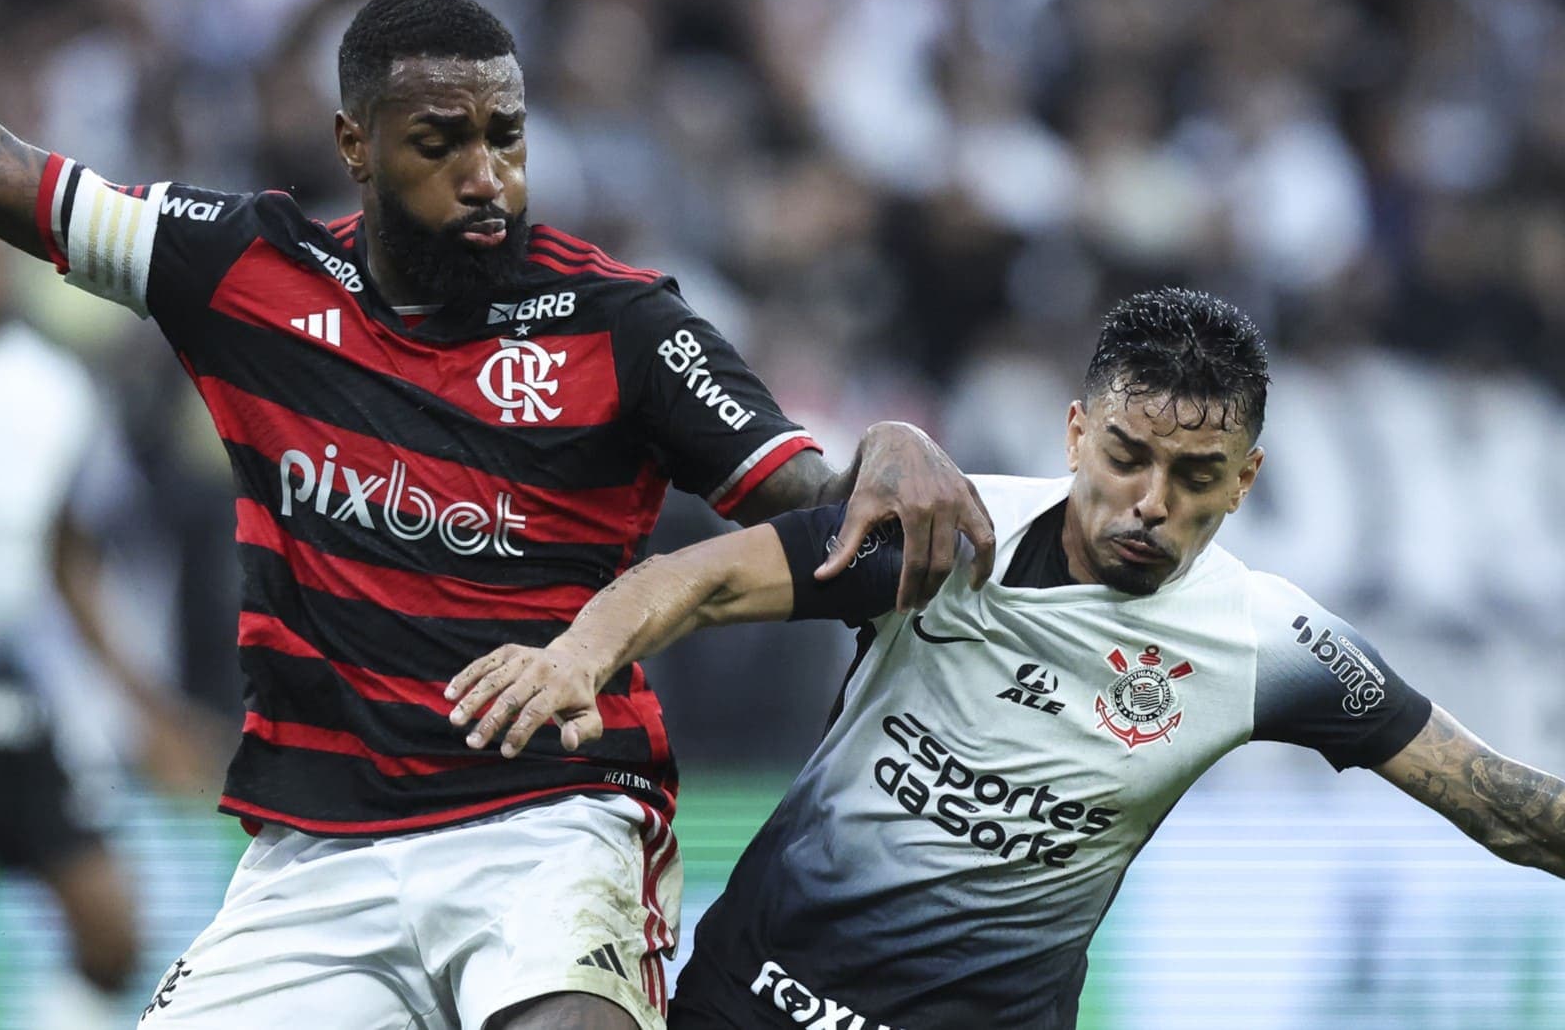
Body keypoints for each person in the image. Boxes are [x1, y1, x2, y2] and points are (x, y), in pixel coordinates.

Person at [0, 0, 993, 1029]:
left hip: (548, 819)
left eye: (508, 136)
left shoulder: (621, 325)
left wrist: (887, 451)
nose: (487, 176)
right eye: (441, 142)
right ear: (356, 142)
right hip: (316, 855)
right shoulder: (243, 270)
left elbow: (840, 517)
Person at [452, 286, 1565, 1029]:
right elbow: (698, 579)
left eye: (1196, 476)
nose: (1150, 502)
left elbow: (1504, 807)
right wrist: (575, 655)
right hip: (751, 1005)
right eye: (1127, 455)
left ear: (1247, 479)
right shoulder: (943, 529)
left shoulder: (1270, 641)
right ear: (1078, 430)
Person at [0, 215, 219, 1029]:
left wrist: (148, 705)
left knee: (111, 929)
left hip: (16, 680)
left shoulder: (54, 389)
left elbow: (70, 565)